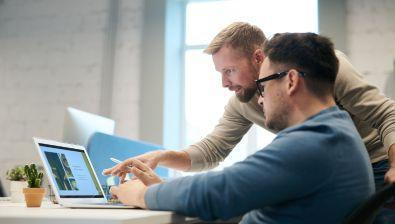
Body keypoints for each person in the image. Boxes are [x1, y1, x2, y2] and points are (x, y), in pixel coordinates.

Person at [107, 33, 375, 223]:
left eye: (265, 86)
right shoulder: (337, 132)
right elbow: (228, 183)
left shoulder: (313, 142)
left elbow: (219, 192)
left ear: (291, 81)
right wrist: (163, 189)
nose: (260, 98)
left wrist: (144, 194)